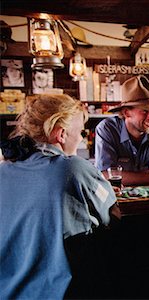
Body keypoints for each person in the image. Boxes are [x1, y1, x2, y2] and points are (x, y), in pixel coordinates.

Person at [0, 94, 120, 299]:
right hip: (56, 292)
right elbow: (113, 215)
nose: (81, 138)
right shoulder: (72, 167)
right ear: (61, 134)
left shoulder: (4, 169)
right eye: (80, 132)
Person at [95, 75, 149, 185]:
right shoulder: (107, 129)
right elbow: (105, 176)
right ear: (126, 113)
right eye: (145, 111)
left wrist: (126, 176)